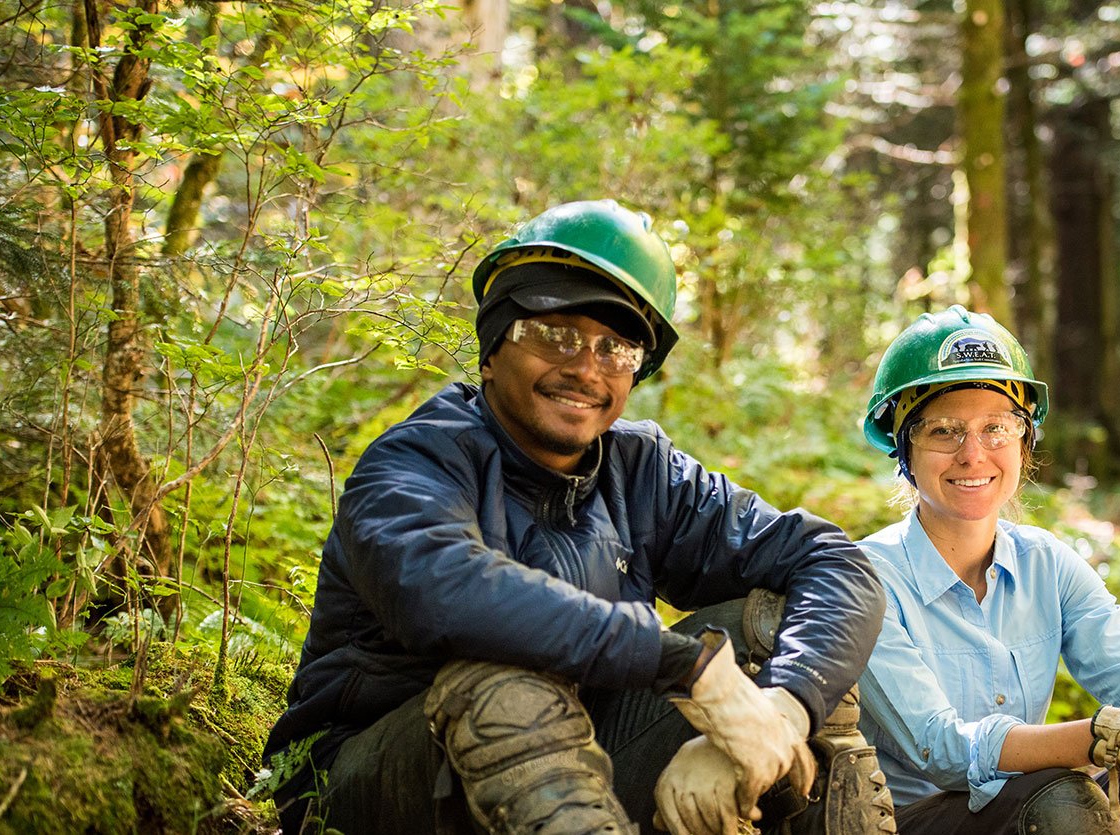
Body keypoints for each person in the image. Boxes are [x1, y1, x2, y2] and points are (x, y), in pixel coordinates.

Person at [261, 200, 893, 835]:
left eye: (615, 348)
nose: (586, 368)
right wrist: (689, 669)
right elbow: (448, 597)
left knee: (774, 637)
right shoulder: (416, 463)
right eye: (554, 334)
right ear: (493, 346)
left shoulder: (642, 471)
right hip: (361, 784)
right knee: (505, 692)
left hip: (571, 776)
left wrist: (777, 715)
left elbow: (834, 562)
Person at [852, 305, 1120, 835]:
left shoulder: (1047, 564)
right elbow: (942, 749)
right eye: (944, 431)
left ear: (1024, 441)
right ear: (904, 447)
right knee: (1063, 803)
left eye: (997, 428)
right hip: (916, 821)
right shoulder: (866, 579)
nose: (973, 454)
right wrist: (1104, 734)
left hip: (1032, 804)